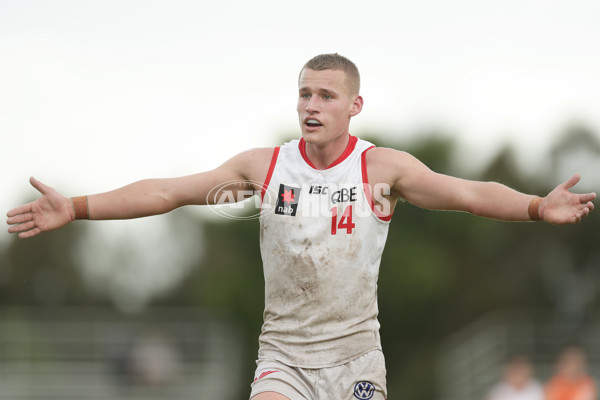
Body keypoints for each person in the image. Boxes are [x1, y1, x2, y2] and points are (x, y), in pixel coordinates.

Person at [6, 54, 596, 400]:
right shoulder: (264, 168)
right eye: (304, 94)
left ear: (353, 106)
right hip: (283, 355)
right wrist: (77, 207)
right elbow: (168, 192)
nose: (311, 105)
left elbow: (467, 193)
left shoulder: (382, 168)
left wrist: (534, 207)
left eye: (326, 95)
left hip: (356, 356)